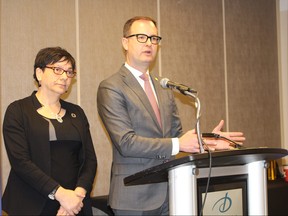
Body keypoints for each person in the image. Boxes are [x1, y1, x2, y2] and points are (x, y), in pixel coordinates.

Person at [97, 16, 245, 215]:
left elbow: (178, 135)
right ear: (125, 42)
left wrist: (208, 142)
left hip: (172, 192)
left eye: (154, 38)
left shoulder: (164, 86)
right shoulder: (112, 87)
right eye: (141, 37)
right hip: (133, 197)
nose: (149, 43)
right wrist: (179, 143)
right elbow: (126, 142)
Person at [2, 47, 97, 215]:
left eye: (69, 72)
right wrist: (61, 195)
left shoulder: (77, 112)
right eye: (57, 70)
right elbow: (20, 162)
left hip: (74, 205)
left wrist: (77, 196)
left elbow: (89, 160)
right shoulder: (18, 110)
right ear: (39, 73)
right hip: (31, 204)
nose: (64, 77)